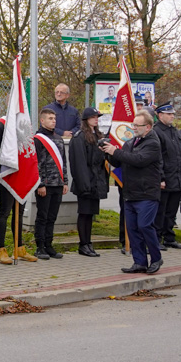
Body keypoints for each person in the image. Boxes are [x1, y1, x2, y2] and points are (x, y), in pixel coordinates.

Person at [101, 110, 164, 274]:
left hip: (147, 193)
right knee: (133, 229)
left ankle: (156, 258)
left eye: (137, 125)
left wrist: (116, 152)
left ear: (148, 127)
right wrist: (108, 151)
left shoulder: (153, 143)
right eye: (133, 124)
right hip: (130, 193)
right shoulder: (130, 142)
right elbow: (120, 161)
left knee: (144, 225)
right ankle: (140, 262)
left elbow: (139, 160)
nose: (134, 128)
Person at [0, 113, 34, 264]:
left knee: (19, 212)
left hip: (22, 174)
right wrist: (9, 160)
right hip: (8, 173)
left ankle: (19, 247)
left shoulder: (23, 125)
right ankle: (1, 250)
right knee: (5, 212)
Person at [68, 107, 108, 257]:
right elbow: (79, 163)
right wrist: (85, 184)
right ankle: (83, 244)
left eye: (97, 116)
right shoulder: (79, 137)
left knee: (91, 214)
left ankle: (88, 243)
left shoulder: (97, 136)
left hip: (96, 181)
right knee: (84, 213)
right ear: (86, 119)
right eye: (93, 117)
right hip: (86, 182)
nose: (96, 119)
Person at [152, 102, 181, 250]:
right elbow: (158, 158)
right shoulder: (157, 132)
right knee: (160, 211)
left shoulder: (175, 132)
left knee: (171, 212)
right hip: (165, 179)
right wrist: (161, 178)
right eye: (169, 114)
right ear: (160, 115)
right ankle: (156, 239)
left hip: (178, 178)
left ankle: (169, 237)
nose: (172, 116)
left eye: (173, 114)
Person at [33, 108, 69, 260]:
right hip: (45, 185)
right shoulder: (38, 139)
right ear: (42, 120)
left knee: (52, 216)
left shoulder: (58, 138)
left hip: (58, 183)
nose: (53, 121)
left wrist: (65, 181)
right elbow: (36, 164)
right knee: (43, 215)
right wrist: (40, 184)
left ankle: (49, 245)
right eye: (50, 118)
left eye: (54, 118)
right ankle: (40, 247)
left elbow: (63, 162)